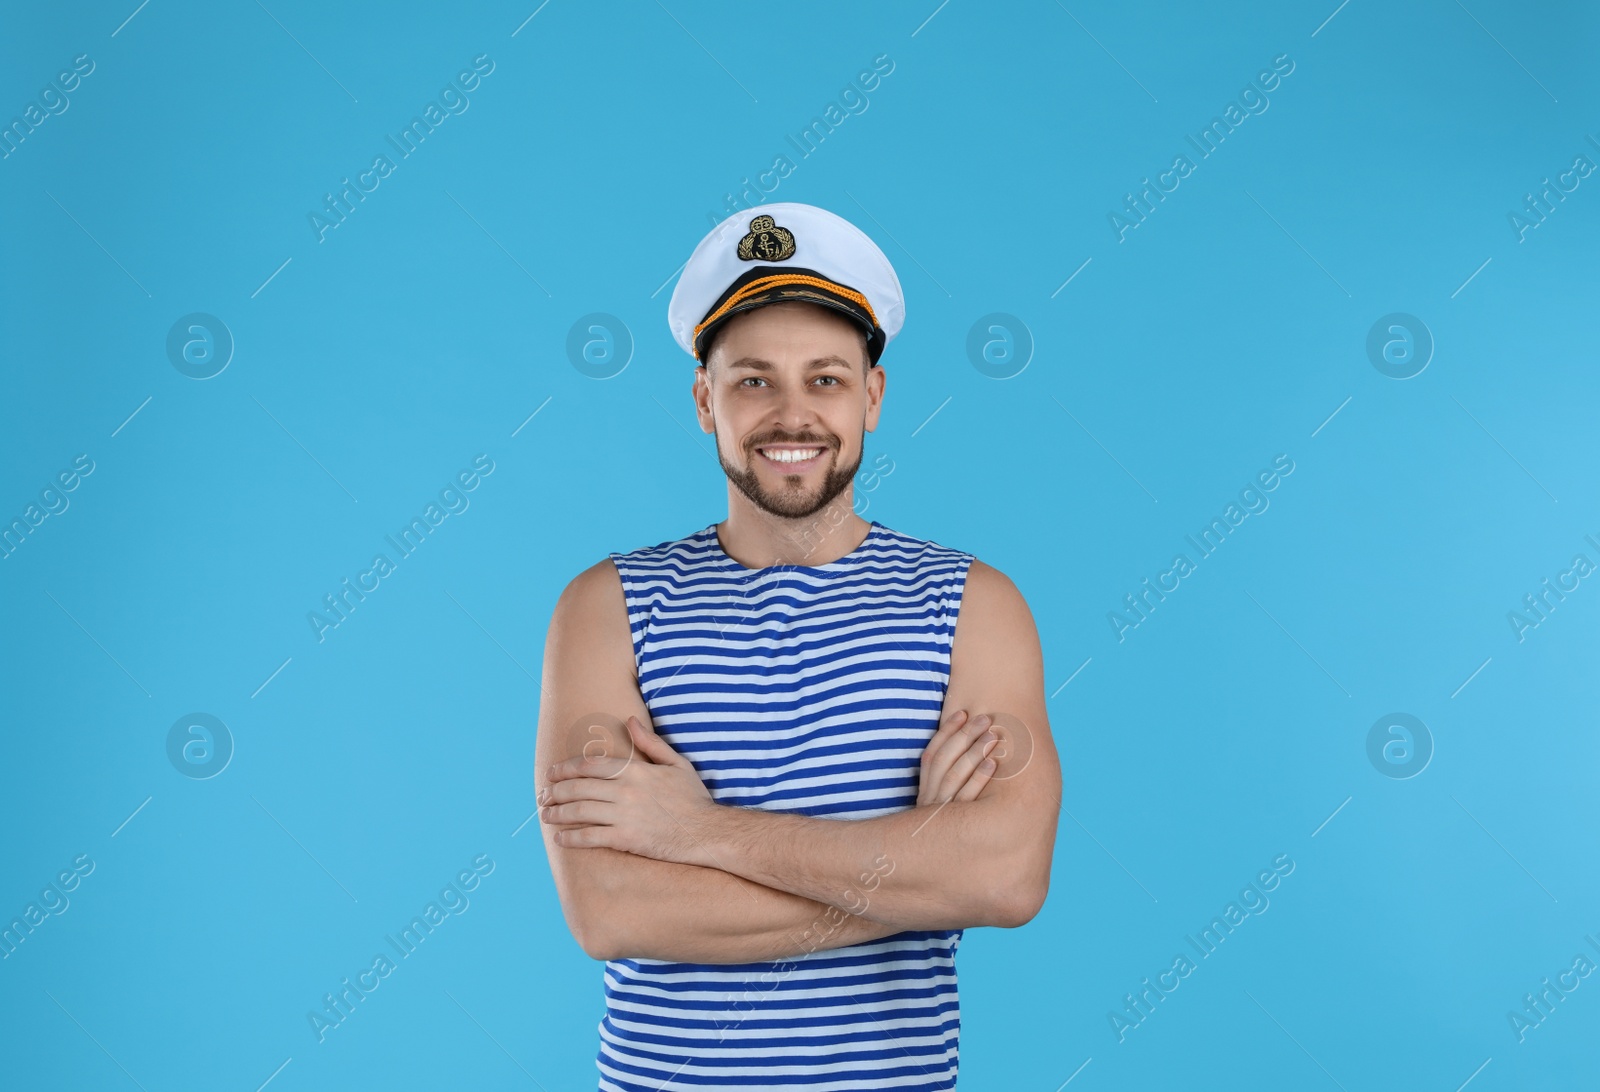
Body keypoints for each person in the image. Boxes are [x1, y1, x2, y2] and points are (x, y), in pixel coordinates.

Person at [535, 202, 1060, 1090]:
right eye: (752, 381)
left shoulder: (972, 604)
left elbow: (1005, 878)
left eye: (825, 379)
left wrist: (697, 832)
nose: (792, 415)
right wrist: (919, 873)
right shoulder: (606, 608)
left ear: (873, 398)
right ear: (704, 400)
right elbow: (609, 907)